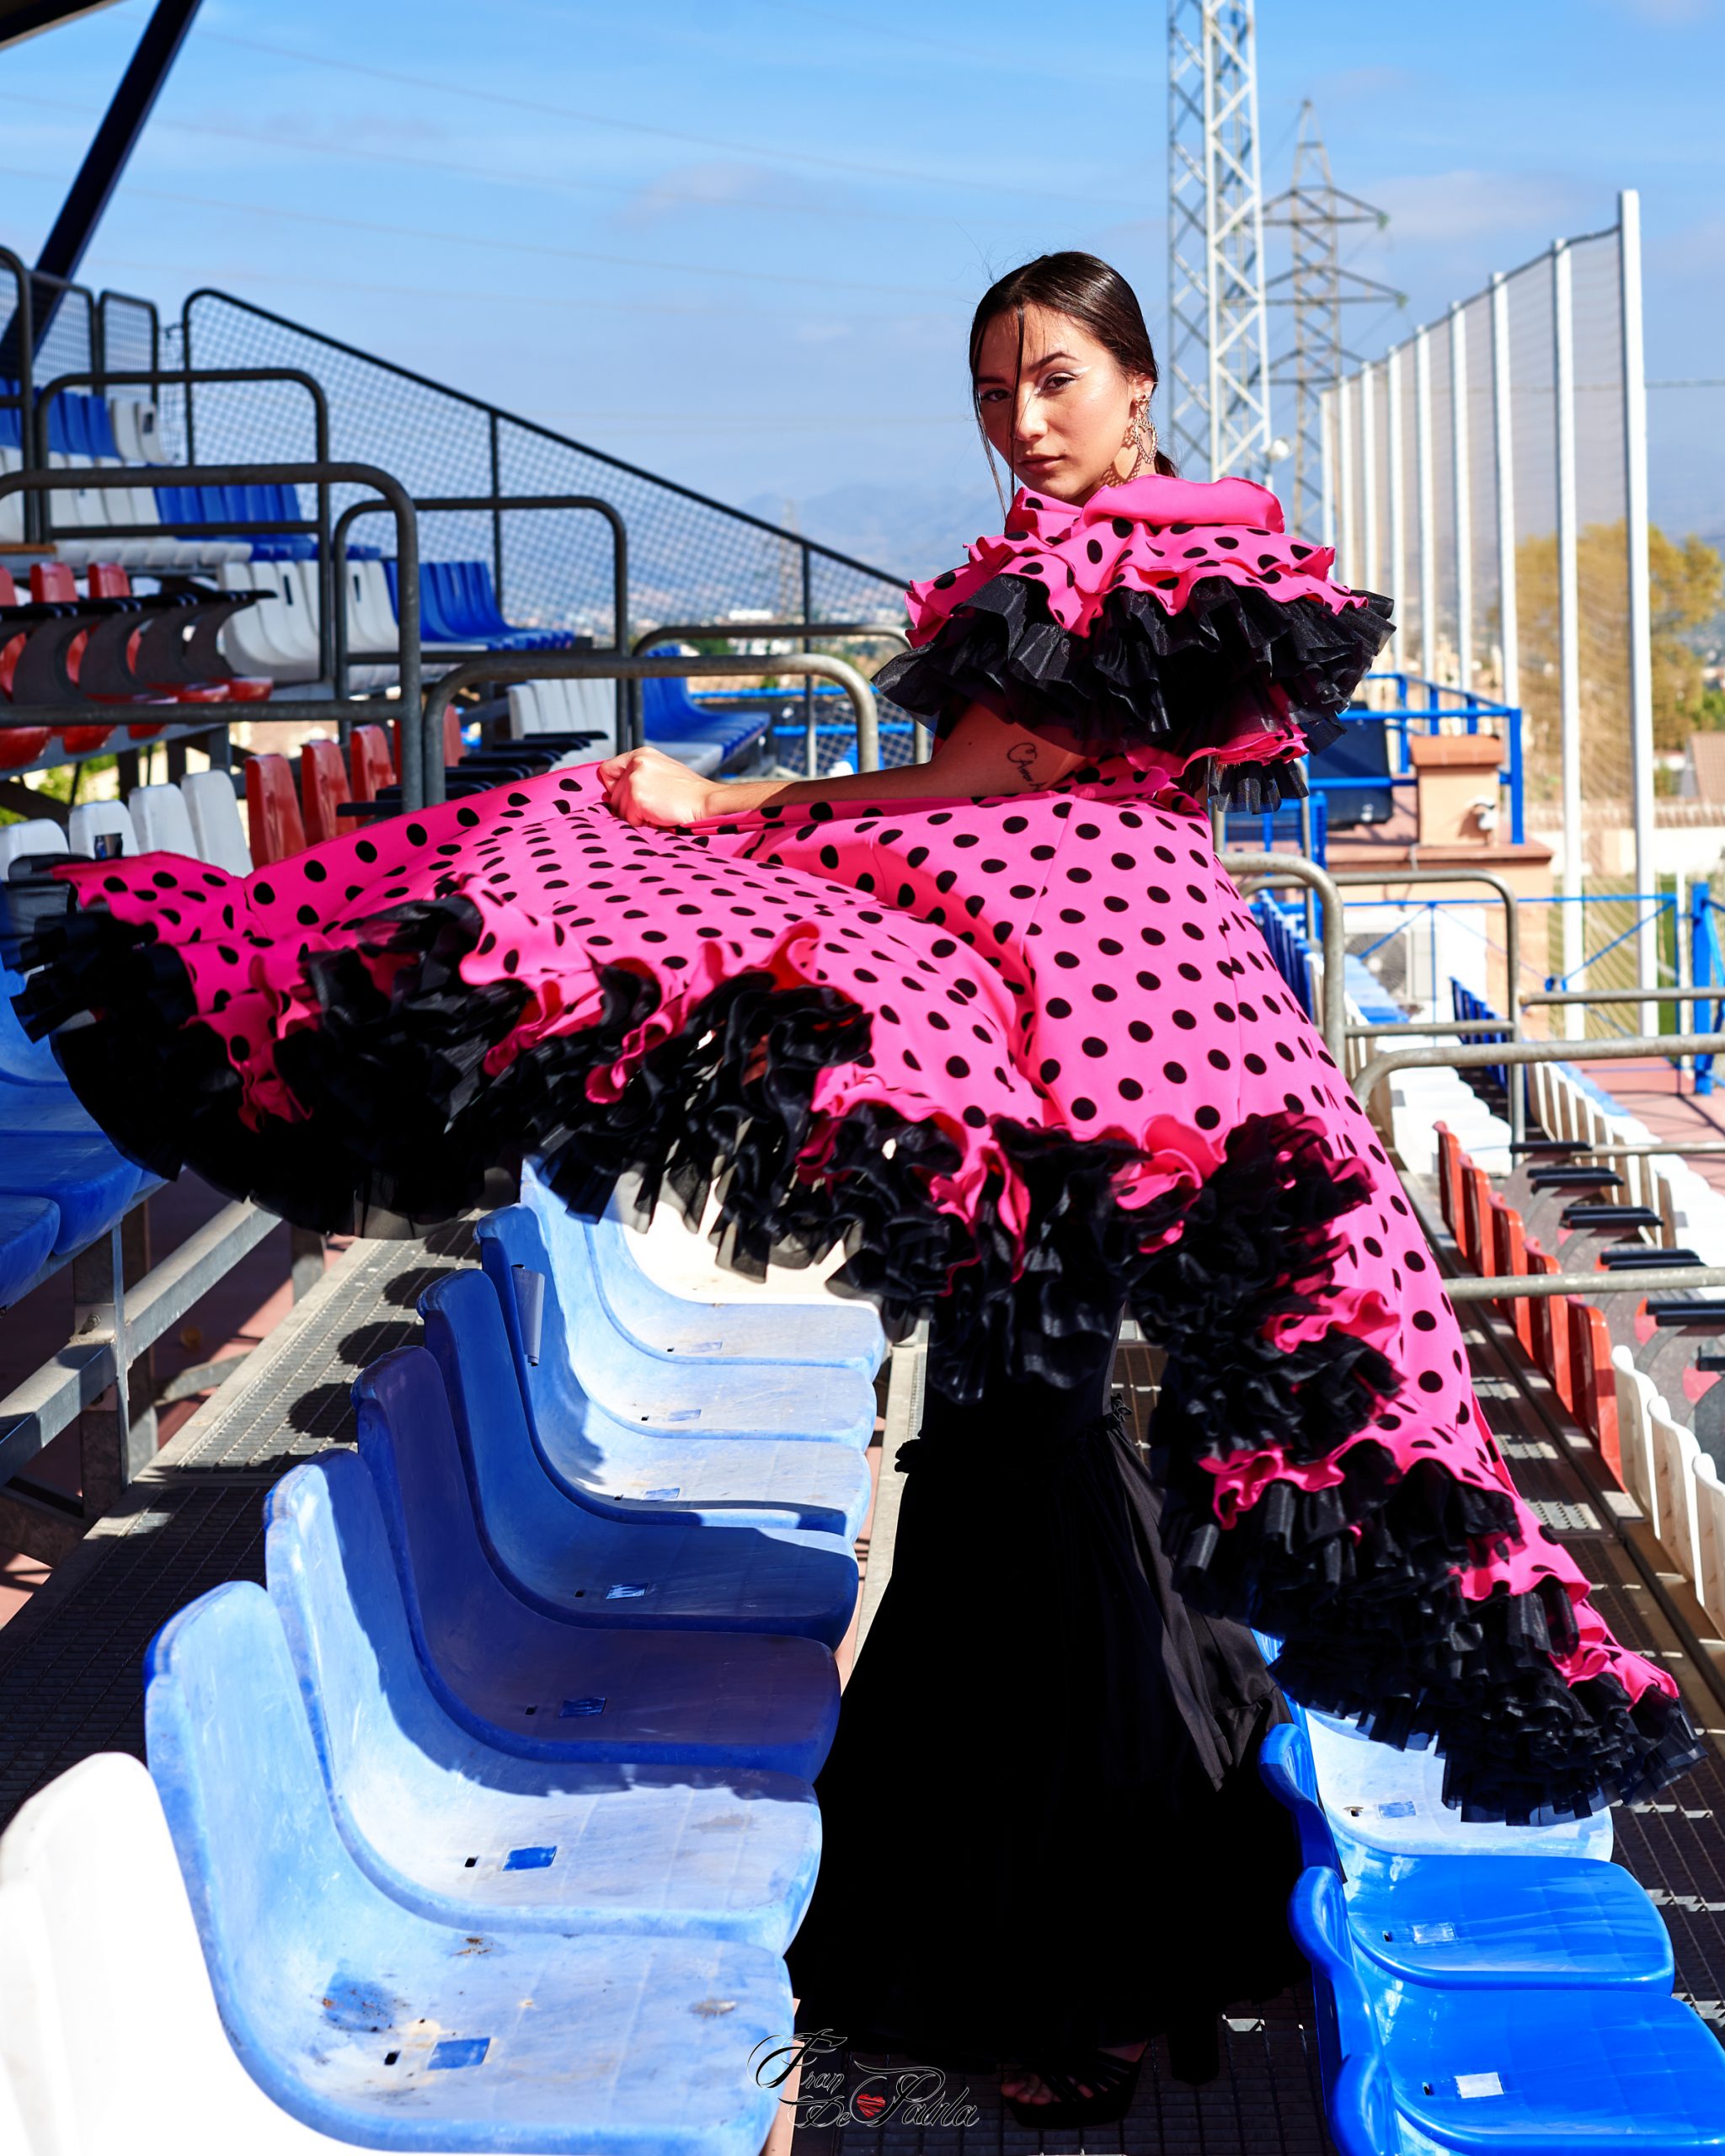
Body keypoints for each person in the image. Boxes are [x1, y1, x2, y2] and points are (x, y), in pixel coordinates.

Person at [18, 251, 1701, 2129]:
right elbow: (999, 789)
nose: (1022, 421)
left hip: (1097, 1040)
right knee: (1016, 1445)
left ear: (1138, 387)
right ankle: (1061, 1926)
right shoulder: (1137, 547)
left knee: (1017, 1449)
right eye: (993, 391)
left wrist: (734, 810)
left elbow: (991, 777)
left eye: (1055, 380)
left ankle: (1045, 1964)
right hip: (1082, 1013)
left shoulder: (1137, 555)